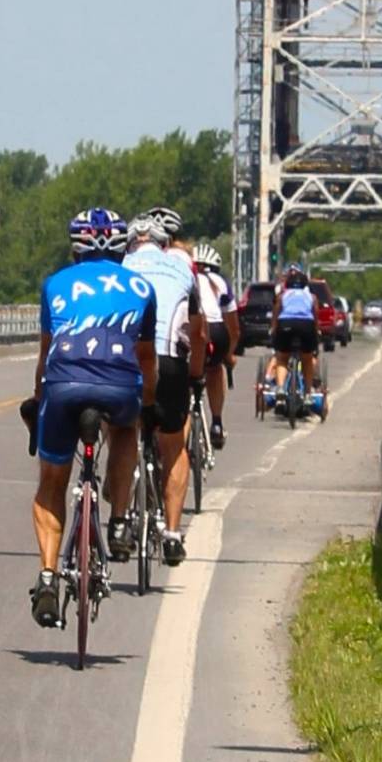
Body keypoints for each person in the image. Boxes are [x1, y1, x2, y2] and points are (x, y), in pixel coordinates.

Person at [25, 208, 156, 629]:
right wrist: (147, 404)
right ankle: (118, 522)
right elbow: (146, 358)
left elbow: (45, 354)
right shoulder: (142, 287)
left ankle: (48, 577)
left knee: (52, 483)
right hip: (119, 384)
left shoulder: (54, 284)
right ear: (122, 249)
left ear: (75, 248)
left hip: (64, 384)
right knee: (126, 429)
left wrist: (39, 398)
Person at [121, 207, 200, 566]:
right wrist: (194, 374)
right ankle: (172, 533)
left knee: (122, 431)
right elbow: (197, 330)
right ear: (164, 244)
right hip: (170, 361)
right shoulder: (182, 268)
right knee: (174, 445)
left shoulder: (122, 267)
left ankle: (120, 518)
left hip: (130, 360)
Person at [190, 243, 235, 448]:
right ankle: (217, 422)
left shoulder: (184, 277)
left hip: (193, 327)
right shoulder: (220, 282)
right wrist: (229, 355)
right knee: (215, 369)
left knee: (186, 374)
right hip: (217, 330)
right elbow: (233, 327)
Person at [265, 264, 323, 413]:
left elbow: (276, 313)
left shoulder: (282, 295)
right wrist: (316, 331)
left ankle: (280, 388)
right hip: (306, 325)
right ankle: (308, 394)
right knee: (307, 359)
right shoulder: (312, 297)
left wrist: (273, 329)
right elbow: (315, 315)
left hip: (286, 324)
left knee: (282, 359)